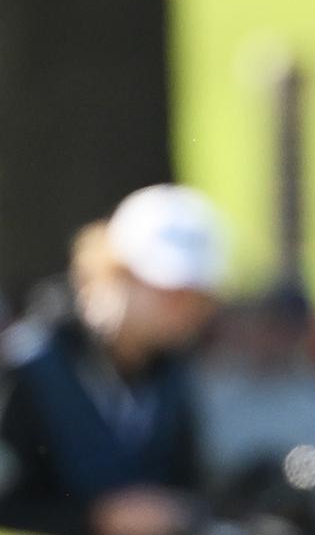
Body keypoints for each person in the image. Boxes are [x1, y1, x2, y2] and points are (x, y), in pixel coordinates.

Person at [0, 184, 226, 535]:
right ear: (114, 273)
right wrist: (95, 517)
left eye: (195, 296)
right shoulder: (26, 367)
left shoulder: (173, 375)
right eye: (169, 292)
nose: (186, 310)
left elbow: (187, 486)